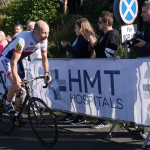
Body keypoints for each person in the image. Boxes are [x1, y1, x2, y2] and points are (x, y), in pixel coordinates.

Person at [0, 20, 51, 117]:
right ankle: (7, 104)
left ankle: (17, 114)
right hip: (7, 59)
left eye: (48, 33)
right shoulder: (22, 39)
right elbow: (13, 62)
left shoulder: (43, 40)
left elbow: (45, 58)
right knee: (16, 84)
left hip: (18, 59)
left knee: (22, 88)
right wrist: (16, 80)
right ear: (36, 32)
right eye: (44, 33)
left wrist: (46, 73)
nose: (47, 36)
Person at [85, 11, 121, 128]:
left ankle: (105, 120)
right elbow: (100, 50)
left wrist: (94, 44)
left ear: (106, 23)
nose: (98, 24)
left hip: (108, 71)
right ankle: (101, 117)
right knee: (100, 95)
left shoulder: (112, 35)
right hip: (101, 70)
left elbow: (107, 55)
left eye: (100, 22)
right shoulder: (104, 35)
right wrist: (93, 42)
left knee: (105, 95)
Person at [59, 18, 96, 124]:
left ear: (81, 28)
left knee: (79, 93)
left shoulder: (83, 39)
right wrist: (70, 45)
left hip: (80, 70)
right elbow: (76, 50)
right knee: (73, 93)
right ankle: (71, 114)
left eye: (76, 28)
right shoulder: (80, 38)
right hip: (77, 70)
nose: (74, 30)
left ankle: (80, 116)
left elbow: (75, 52)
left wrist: (67, 46)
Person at [134, 1, 150, 139]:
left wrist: (146, 44)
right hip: (142, 63)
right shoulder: (144, 25)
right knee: (143, 97)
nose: (141, 14)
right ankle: (144, 127)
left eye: (144, 11)